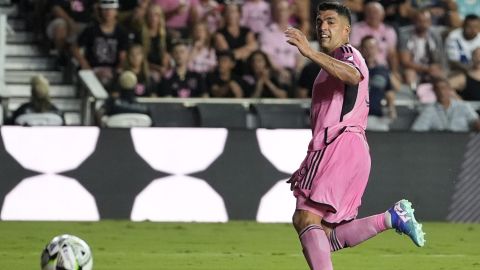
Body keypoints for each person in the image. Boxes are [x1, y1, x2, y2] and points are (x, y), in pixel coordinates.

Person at [284, 3, 425, 270]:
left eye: (330, 22)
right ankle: (391, 218)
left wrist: (308, 51)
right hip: (351, 148)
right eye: (319, 22)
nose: (322, 27)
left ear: (346, 30)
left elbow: (352, 75)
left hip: (339, 143)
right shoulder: (331, 63)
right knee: (323, 234)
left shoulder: (347, 53)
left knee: (305, 219)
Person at [71, 0, 129, 90]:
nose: (108, 12)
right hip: (92, 69)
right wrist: (84, 64)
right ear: (101, 11)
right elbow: (75, 48)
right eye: (105, 9)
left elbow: (123, 57)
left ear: (116, 11)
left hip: (112, 71)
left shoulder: (122, 32)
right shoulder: (91, 29)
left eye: (111, 9)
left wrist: (117, 70)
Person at [398, 9, 445, 91]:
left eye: (426, 21)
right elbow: (405, 61)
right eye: (420, 21)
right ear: (414, 21)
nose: (423, 24)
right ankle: (414, 96)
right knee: (410, 73)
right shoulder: (405, 35)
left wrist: (435, 68)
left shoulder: (435, 36)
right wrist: (426, 68)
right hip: (413, 68)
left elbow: (441, 59)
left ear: (430, 22)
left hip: (430, 68)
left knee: (440, 75)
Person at [412, 77, 480, 132]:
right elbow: (417, 131)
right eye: (438, 89)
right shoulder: (429, 110)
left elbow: (475, 122)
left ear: (449, 89)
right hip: (438, 145)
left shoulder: (464, 106)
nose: (441, 92)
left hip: (462, 143)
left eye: (444, 88)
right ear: (434, 91)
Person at [360, 35, 396, 131]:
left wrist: (391, 107)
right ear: (361, 50)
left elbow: (390, 90)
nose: (369, 51)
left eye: (372, 47)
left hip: (377, 117)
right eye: (366, 48)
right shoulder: (355, 69)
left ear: (377, 49)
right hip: (357, 119)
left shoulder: (383, 70)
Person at [214, 3, 258, 76]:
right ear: (224, 15)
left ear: (239, 14)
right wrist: (246, 51)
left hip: (247, 69)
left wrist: (235, 53)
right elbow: (228, 55)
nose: (231, 14)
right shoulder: (219, 33)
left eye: (234, 11)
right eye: (228, 12)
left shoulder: (247, 31)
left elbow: (254, 47)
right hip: (229, 72)